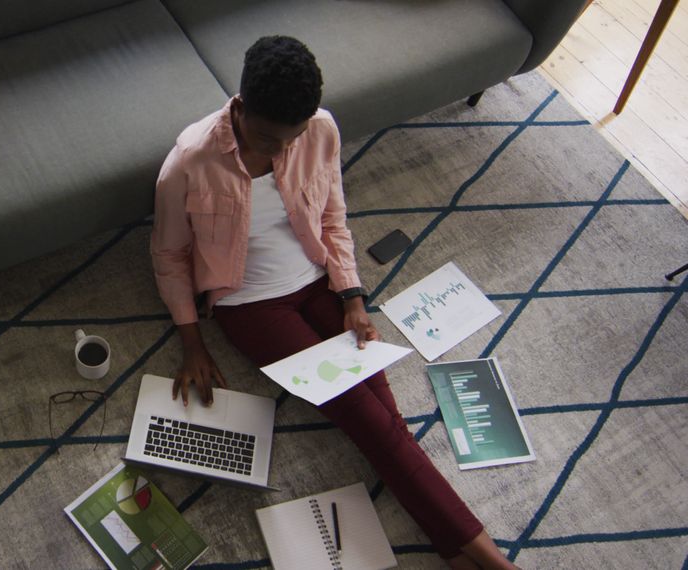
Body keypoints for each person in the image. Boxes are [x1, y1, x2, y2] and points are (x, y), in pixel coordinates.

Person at [150, 35, 518, 570]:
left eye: (291, 138)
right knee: (367, 417)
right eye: (268, 138)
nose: (280, 151)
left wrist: (352, 296)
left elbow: (332, 215)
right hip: (250, 305)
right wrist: (192, 342)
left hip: (319, 279)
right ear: (241, 105)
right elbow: (168, 254)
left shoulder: (319, 129)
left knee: (379, 410)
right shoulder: (189, 160)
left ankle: (456, 548)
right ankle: (484, 555)